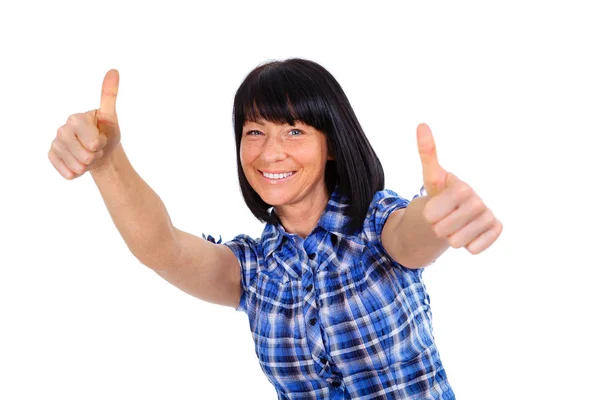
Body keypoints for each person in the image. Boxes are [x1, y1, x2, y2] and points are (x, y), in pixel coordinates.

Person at [48, 58, 502, 399]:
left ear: (331, 145)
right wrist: (108, 163)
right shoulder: (255, 270)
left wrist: (440, 214)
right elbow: (161, 248)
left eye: (294, 131)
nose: (270, 154)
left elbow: (414, 236)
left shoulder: (377, 225)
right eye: (254, 132)